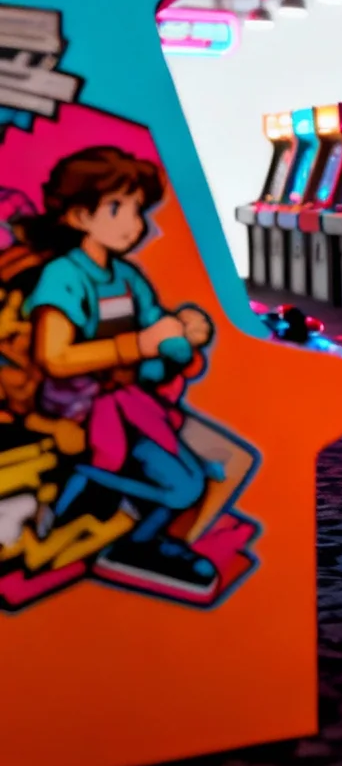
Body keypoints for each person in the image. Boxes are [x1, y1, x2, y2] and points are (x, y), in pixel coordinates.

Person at [20, 146, 220, 594]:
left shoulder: (126, 275)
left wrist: (187, 330)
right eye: (117, 208)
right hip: (78, 408)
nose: (136, 223)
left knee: (192, 479)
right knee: (184, 485)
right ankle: (90, 487)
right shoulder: (63, 275)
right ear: (78, 217)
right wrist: (137, 345)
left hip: (127, 403)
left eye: (136, 209)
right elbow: (54, 356)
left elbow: (154, 324)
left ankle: (131, 536)